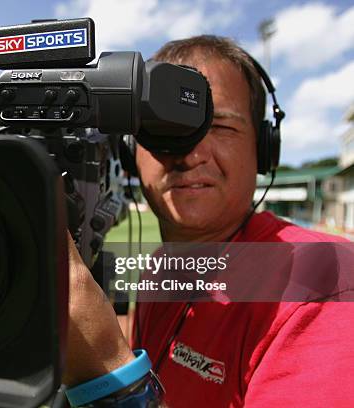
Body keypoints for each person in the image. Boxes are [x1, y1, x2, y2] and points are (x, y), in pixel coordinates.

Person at [63, 35, 354, 407]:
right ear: (132, 150)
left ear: (264, 149)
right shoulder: (161, 267)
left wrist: (103, 374)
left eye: (219, 127)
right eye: (165, 128)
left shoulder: (328, 284)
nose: (190, 154)